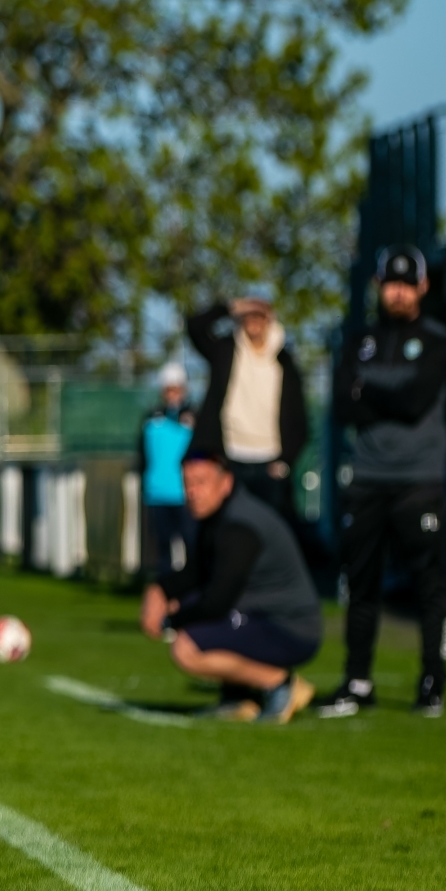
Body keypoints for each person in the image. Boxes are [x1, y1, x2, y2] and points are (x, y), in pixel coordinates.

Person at [319, 244, 446, 719]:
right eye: (390, 283)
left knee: (428, 584)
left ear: (423, 287)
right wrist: (380, 394)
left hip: (419, 480)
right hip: (367, 478)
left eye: (407, 284)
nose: (398, 293)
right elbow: (343, 405)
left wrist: (368, 390)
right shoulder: (358, 340)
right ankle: (357, 681)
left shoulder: (437, 340)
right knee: (361, 585)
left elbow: (416, 401)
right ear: (378, 285)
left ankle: (432, 679)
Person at [139, 449, 322, 723]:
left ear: (225, 483)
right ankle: (237, 698)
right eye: (187, 483)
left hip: (289, 627)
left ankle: (281, 684)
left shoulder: (240, 526)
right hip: (263, 616)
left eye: (201, 482)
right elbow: (197, 573)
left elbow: (218, 601)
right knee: (192, 609)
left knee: (187, 648)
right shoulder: (217, 516)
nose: (193, 492)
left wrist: (169, 621)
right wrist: (159, 591)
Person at [186, 293, 307, 517]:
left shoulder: (285, 362)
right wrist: (229, 307)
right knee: (229, 524)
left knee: (271, 524)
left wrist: (286, 461)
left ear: (270, 320)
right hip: (231, 457)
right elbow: (195, 327)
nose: (253, 321)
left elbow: (299, 418)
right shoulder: (225, 351)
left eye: (259, 316)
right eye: (248, 316)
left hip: (270, 463)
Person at [137, 361, 196, 578]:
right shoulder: (151, 419)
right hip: (158, 493)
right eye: (168, 389)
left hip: (186, 494)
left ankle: (192, 589)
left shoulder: (194, 418)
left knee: (192, 545)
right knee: (162, 549)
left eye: (176, 389)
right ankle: (165, 591)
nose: (172, 394)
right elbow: (142, 455)